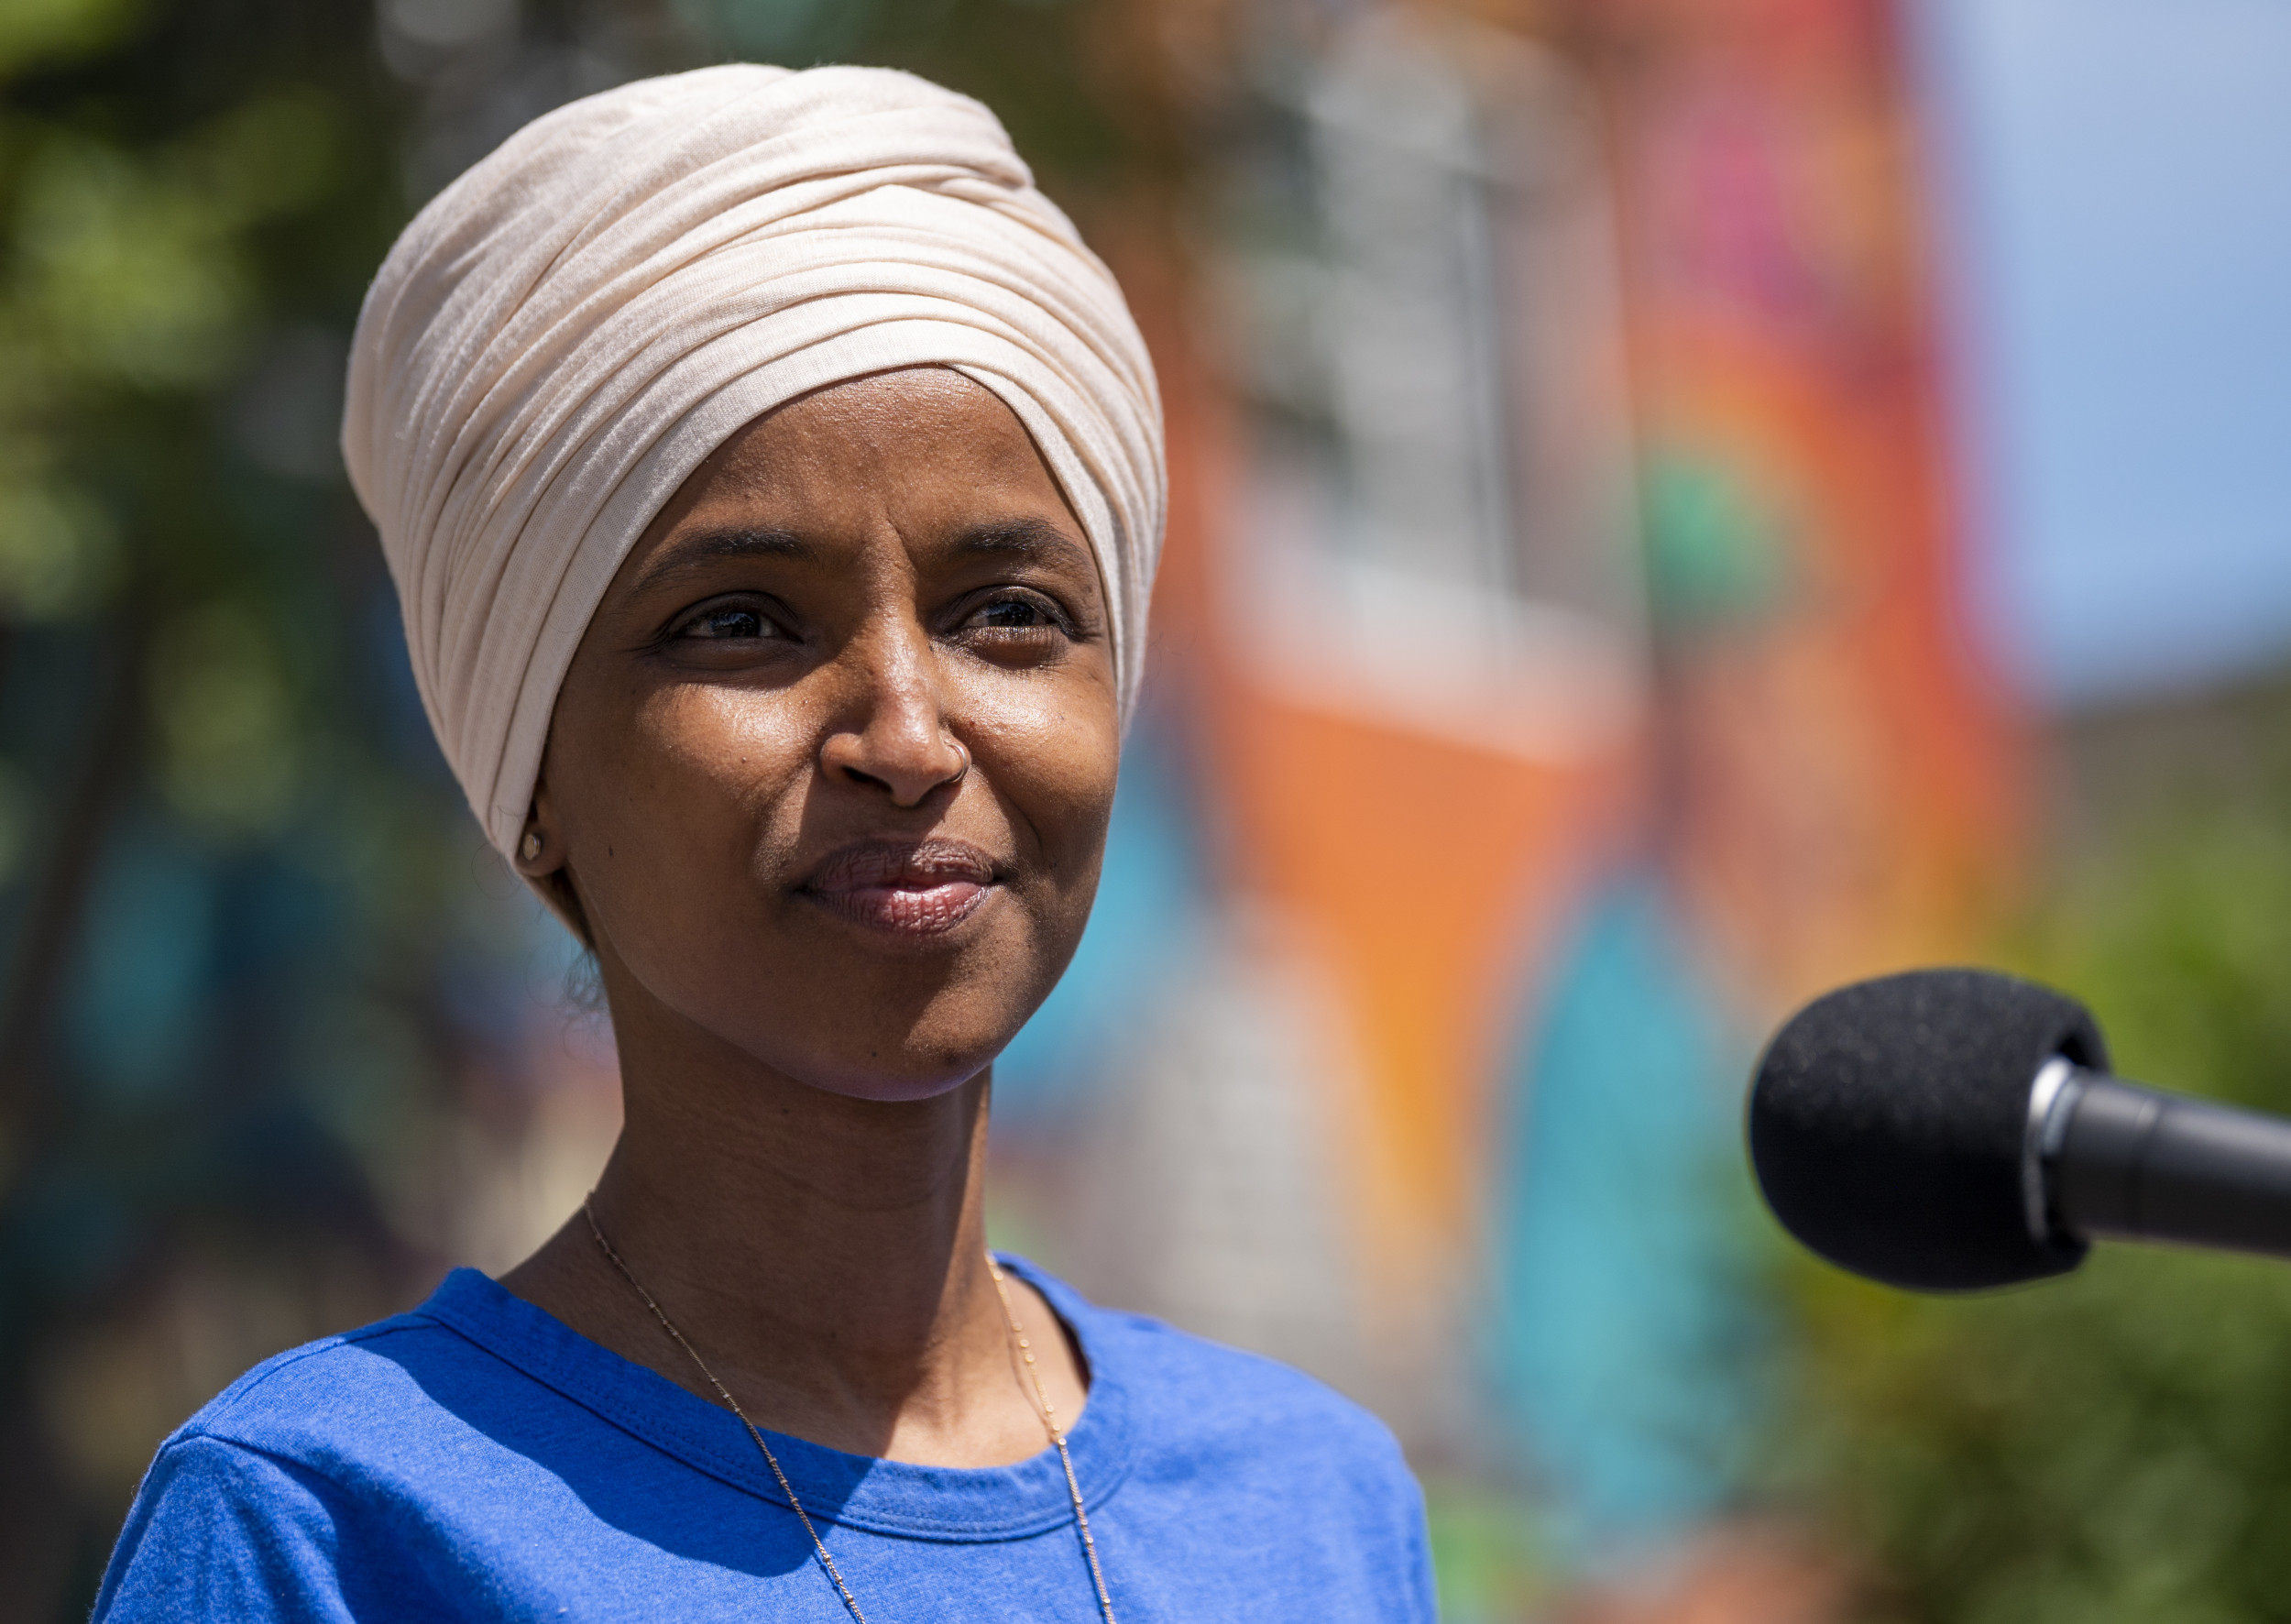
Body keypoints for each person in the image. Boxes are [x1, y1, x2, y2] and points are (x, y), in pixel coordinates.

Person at [92, 63, 1434, 1622]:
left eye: (1010, 614)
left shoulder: (1311, 1508)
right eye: (739, 623)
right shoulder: (331, 1527)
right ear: (530, 768)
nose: (909, 737)